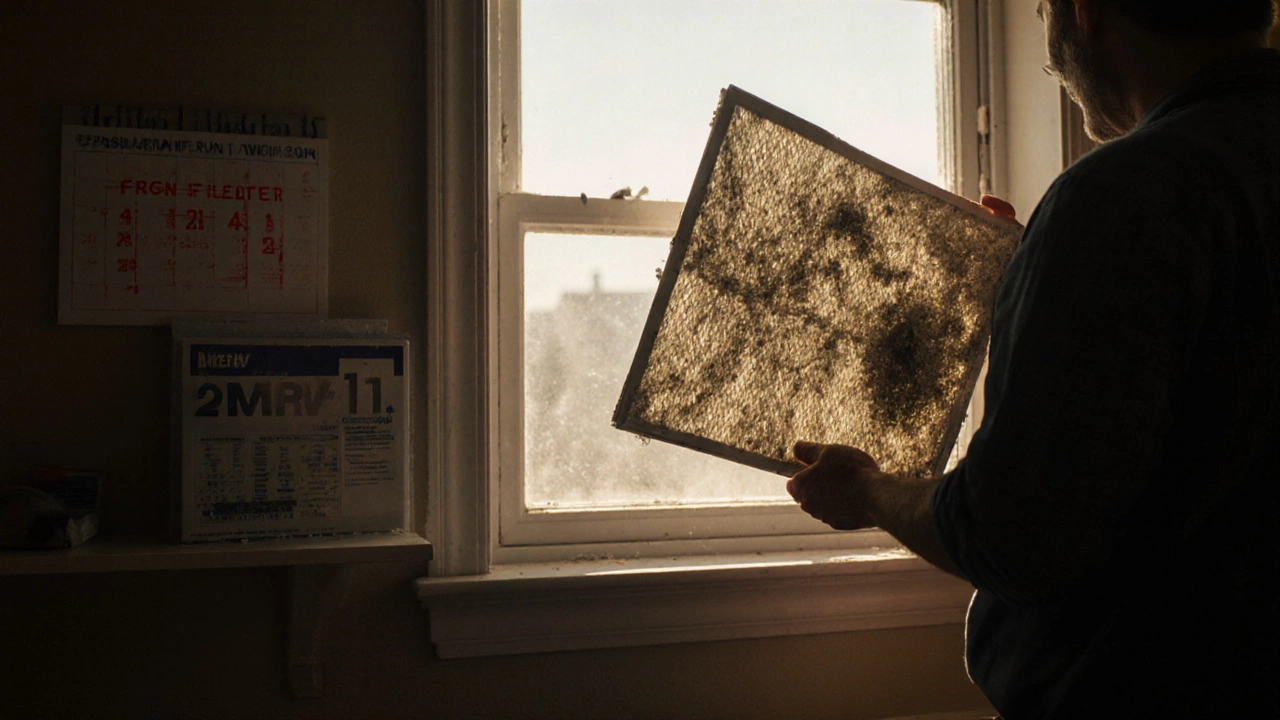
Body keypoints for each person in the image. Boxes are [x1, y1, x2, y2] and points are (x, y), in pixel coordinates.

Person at [785, 0, 1279, 716]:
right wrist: (1035, 282)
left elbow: (1014, 532)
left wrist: (866, 489)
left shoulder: (1125, 193)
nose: (1045, 42)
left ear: (1086, 12)